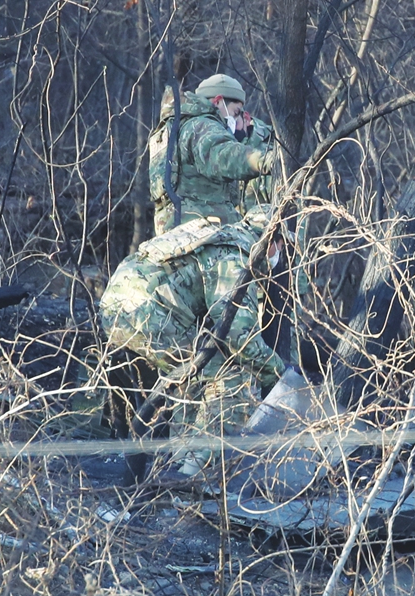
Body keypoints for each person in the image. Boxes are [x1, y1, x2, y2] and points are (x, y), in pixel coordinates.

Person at [101, 205, 287, 479]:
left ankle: (180, 461)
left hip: (114, 309)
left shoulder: (214, 235)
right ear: (271, 240)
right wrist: (279, 372)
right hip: (150, 316)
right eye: (281, 246)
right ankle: (192, 473)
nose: (280, 256)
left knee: (197, 375)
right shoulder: (235, 255)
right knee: (230, 379)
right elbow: (240, 337)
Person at [149, 73, 274, 234]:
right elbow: (223, 155)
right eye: (236, 112)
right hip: (203, 231)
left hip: (174, 230)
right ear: (218, 101)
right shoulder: (202, 125)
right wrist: (266, 160)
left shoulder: (175, 129)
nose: (236, 121)